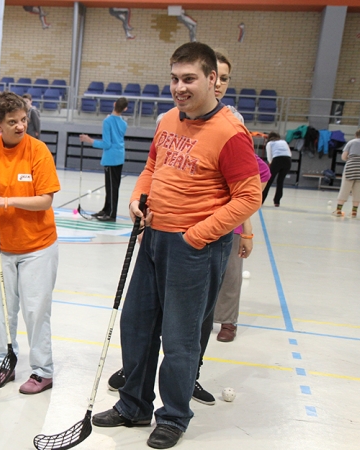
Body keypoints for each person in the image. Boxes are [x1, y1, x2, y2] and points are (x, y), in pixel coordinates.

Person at [91, 43, 261, 449]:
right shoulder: (168, 119)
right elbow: (152, 166)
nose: (179, 87)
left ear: (212, 80)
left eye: (189, 79)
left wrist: (197, 235)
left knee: (180, 337)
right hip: (153, 237)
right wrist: (137, 200)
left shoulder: (230, 133)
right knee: (137, 326)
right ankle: (133, 405)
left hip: (195, 248)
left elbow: (248, 196)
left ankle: (174, 415)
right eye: (174, 78)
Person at [0, 91, 60, 395]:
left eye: (23, 120)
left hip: (37, 246)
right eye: (12, 122)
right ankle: (4, 362)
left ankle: (42, 370)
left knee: (35, 310)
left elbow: (45, 200)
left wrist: (8, 201)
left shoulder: (38, 151)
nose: (20, 126)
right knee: (4, 310)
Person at [79, 97, 128, 222]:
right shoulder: (123, 123)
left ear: (114, 104)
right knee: (111, 186)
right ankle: (106, 209)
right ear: (125, 109)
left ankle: (111, 214)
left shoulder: (107, 121)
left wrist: (89, 140)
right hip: (119, 155)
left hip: (111, 157)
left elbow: (106, 144)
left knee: (111, 187)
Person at [332, 128, 360, 217]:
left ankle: (338, 210)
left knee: (345, 189)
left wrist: (351, 159)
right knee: (358, 191)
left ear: (356, 135)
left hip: (351, 167)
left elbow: (343, 157)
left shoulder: (351, 142)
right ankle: (354, 212)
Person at [261, 132, 293, 206]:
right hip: (288, 160)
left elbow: (269, 157)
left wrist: (270, 164)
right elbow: (289, 153)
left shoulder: (270, 143)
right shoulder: (284, 141)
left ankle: (261, 201)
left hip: (277, 160)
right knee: (280, 181)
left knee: (268, 181)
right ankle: (277, 201)